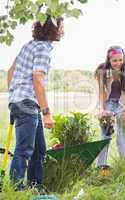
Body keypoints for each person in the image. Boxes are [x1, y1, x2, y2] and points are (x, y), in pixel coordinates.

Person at [7, 16, 64, 191]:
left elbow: (10, 71)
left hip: (22, 102)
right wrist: (47, 112)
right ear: (52, 29)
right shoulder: (43, 49)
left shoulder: (29, 45)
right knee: (24, 149)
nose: (63, 30)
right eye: (61, 27)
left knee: (39, 149)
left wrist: (13, 96)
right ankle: (16, 189)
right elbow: (38, 79)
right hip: (27, 103)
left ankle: (35, 186)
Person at [95, 46, 125, 168]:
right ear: (109, 60)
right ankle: (101, 167)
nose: (118, 63)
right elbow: (102, 92)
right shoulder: (102, 71)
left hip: (122, 106)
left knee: (122, 137)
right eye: (114, 61)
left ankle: (124, 166)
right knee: (104, 136)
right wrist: (102, 109)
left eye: (120, 60)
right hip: (108, 105)